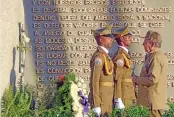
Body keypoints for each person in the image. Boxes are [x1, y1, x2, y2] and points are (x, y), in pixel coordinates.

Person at [132, 30, 168, 117]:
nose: (143, 44)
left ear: (151, 44)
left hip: (152, 104)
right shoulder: (152, 56)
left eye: (145, 42)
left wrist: (135, 79)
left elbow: (152, 79)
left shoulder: (156, 57)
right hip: (149, 103)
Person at [89, 25, 115, 117]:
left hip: (107, 99)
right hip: (101, 101)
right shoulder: (99, 57)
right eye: (108, 37)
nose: (111, 39)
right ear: (101, 40)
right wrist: (96, 104)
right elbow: (94, 81)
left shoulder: (106, 56)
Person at [112, 26, 136, 109]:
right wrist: (118, 99)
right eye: (128, 37)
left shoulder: (125, 54)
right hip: (124, 95)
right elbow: (117, 78)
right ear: (122, 39)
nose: (131, 39)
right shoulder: (120, 57)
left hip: (129, 93)